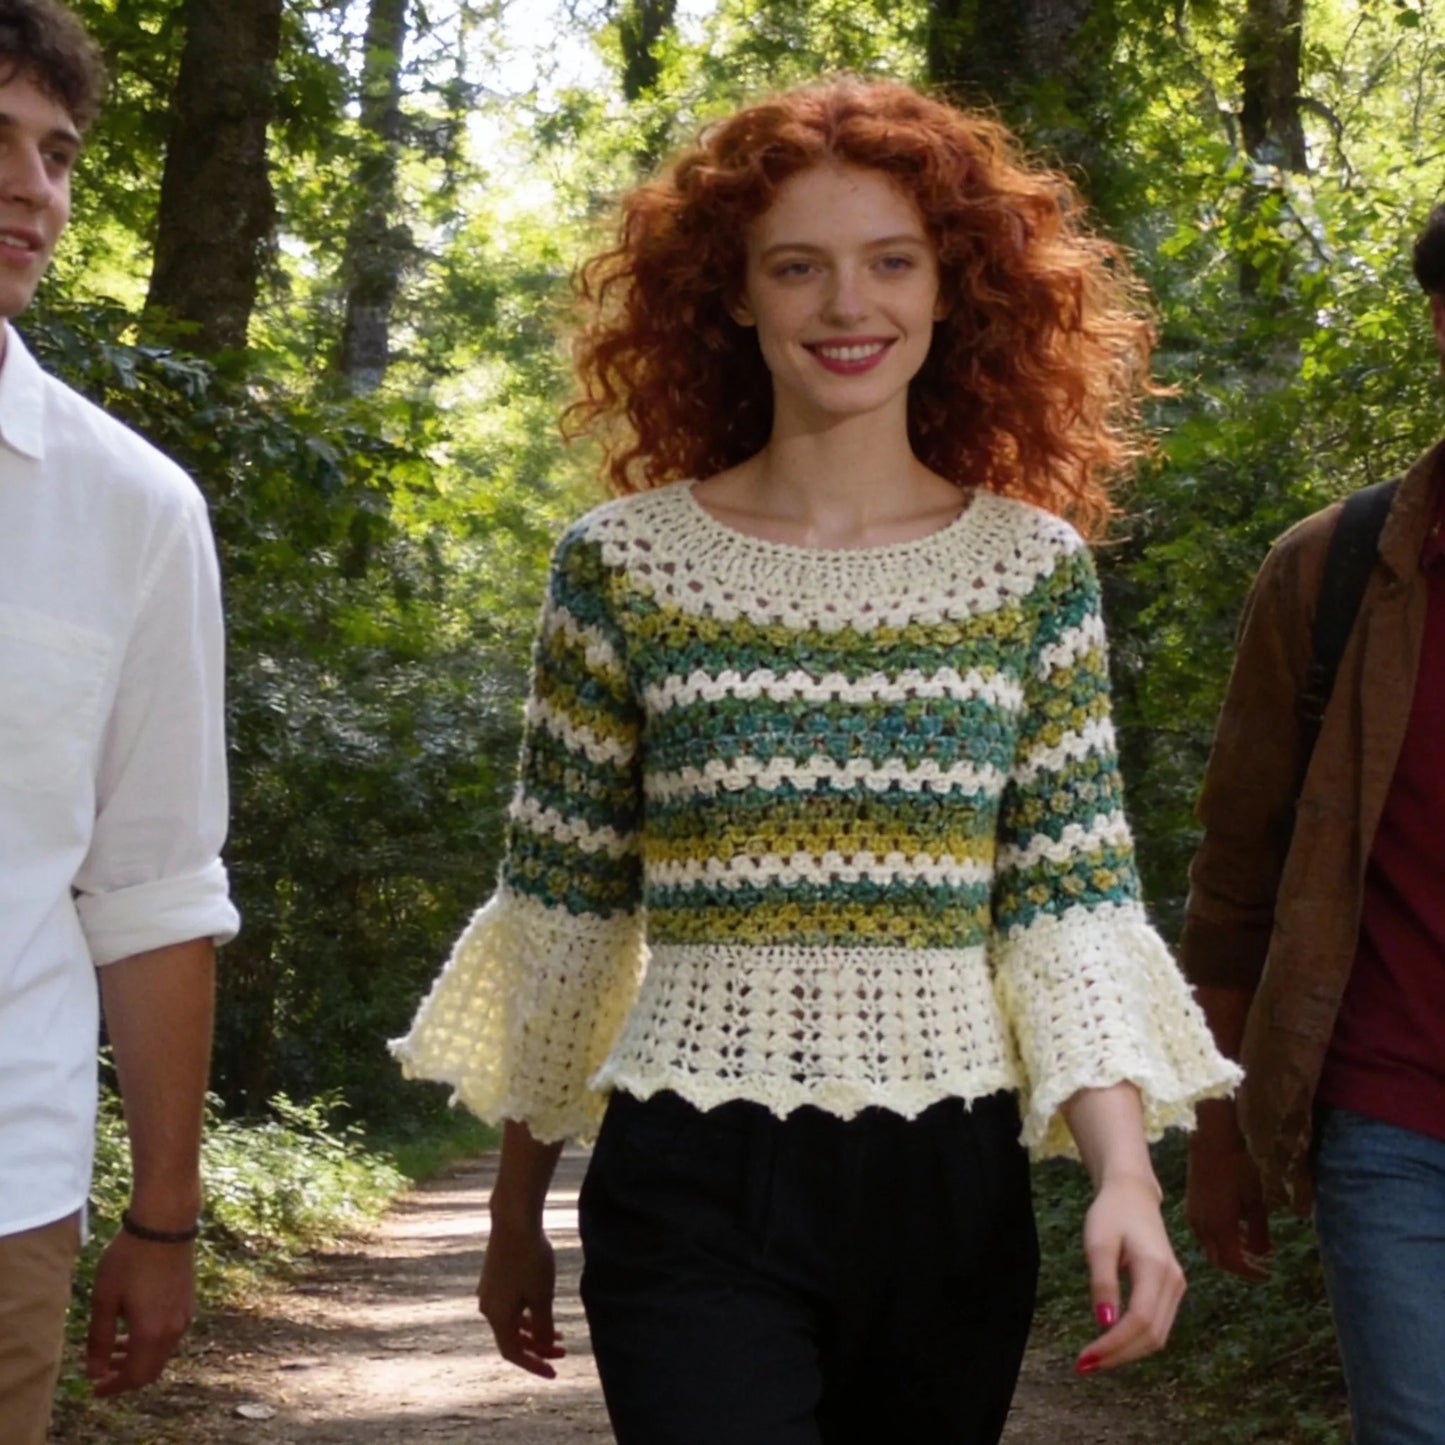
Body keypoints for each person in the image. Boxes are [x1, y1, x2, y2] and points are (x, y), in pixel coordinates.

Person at [394, 76, 1237, 1445]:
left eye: (890, 261)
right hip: (690, 1172)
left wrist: (1125, 1179)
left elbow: (1065, 903)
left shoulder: (1029, 573)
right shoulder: (623, 567)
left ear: (952, 285)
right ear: (732, 295)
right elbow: (566, 908)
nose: (849, 306)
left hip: (946, 1180)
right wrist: (512, 1216)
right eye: (799, 267)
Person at [0, 3, 239, 1438]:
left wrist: (165, 1219)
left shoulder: (132, 507)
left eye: (59, 151)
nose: (33, 188)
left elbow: (152, 892)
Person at [1183, 207, 1445, 1445]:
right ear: (1443, 324)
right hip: (1394, 1131)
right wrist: (1214, 1128)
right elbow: (1233, 884)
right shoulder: (1328, 573)